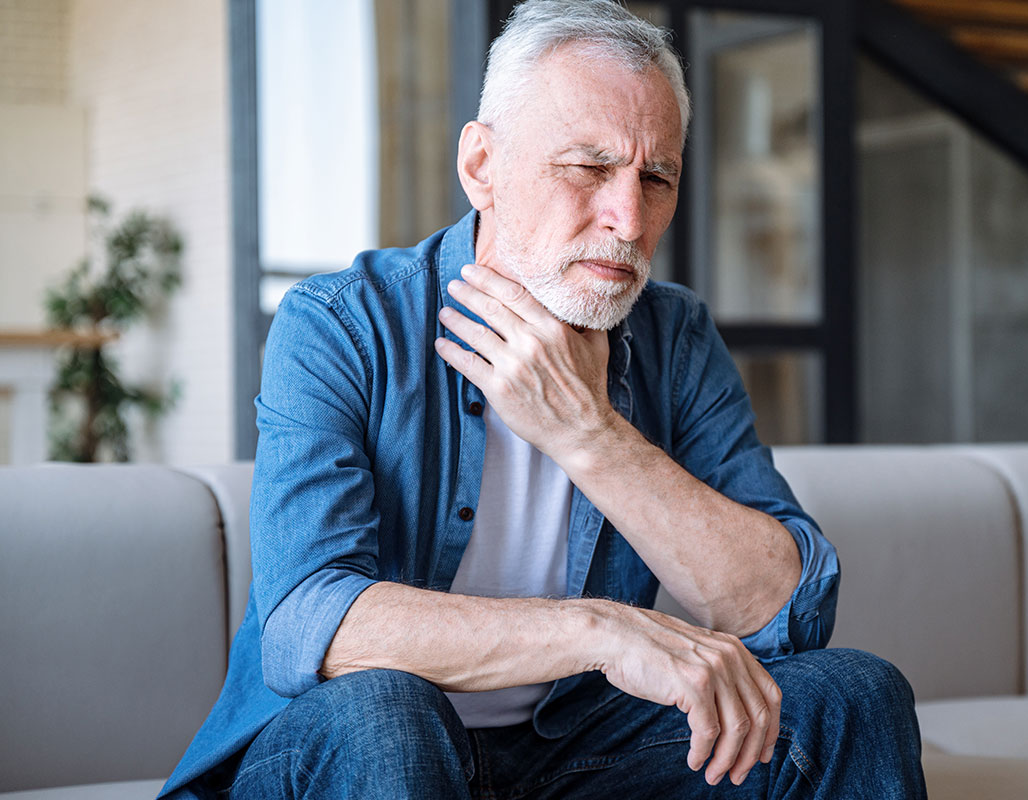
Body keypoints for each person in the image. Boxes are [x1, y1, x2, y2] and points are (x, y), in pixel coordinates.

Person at [161, 1, 926, 797]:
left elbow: (787, 609)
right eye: (589, 167)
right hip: (351, 749)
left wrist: (589, 434)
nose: (629, 220)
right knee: (386, 711)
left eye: (655, 177)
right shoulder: (342, 324)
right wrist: (600, 630)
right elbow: (309, 621)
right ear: (481, 166)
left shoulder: (674, 337)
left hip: (577, 752)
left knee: (854, 696)